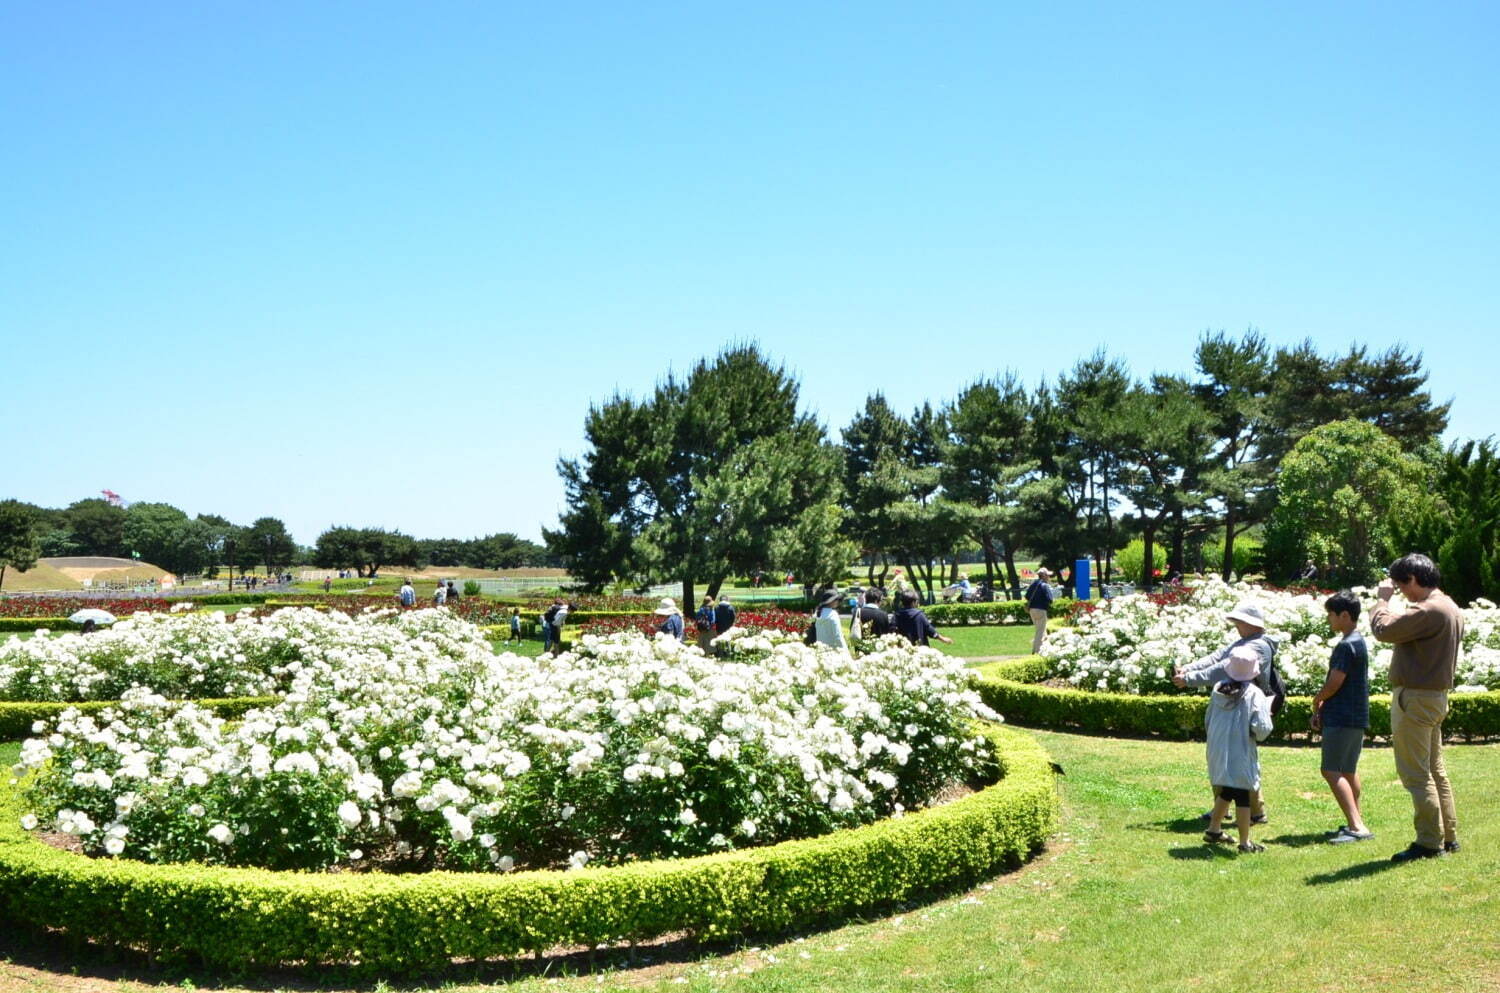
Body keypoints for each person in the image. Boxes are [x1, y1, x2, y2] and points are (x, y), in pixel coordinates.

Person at [1372, 553, 1464, 862]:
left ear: (1413, 579)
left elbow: (1383, 630)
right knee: (1435, 771)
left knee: (1416, 773)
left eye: (1401, 586)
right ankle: (1447, 836)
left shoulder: (1429, 609)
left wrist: (1381, 601)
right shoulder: (1449, 606)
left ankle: (1428, 842)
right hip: (1434, 698)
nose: (1400, 592)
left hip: (1415, 699)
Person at [1175, 602, 1277, 823]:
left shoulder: (1256, 646)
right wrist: (1189, 668)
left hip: (1244, 709)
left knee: (1240, 760)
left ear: (1251, 624)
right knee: (1227, 757)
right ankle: (1231, 809)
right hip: (1234, 705)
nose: (1236, 625)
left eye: (1239, 622)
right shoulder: (1244, 642)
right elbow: (1217, 657)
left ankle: (1254, 811)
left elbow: (1224, 666)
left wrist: (1189, 679)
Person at [1312, 590, 1373, 843]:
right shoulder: (1358, 641)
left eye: (1331, 614)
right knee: (1347, 770)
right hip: (1355, 716)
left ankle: (1357, 826)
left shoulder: (1346, 646)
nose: (1329, 619)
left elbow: (1335, 682)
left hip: (1340, 717)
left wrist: (1318, 700)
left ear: (1345, 615)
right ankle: (1356, 821)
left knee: (1330, 769)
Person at [1201, 647, 1275, 853]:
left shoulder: (1218, 688)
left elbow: (1208, 719)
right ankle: (1245, 843)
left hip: (1217, 747)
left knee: (1227, 789)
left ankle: (1214, 830)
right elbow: (1262, 729)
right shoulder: (1254, 694)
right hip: (1240, 749)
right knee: (1242, 793)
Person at [1024, 568, 1056, 654]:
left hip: (1031, 610)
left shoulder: (1034, 584)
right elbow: (1050, 599)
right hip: (1041, 610)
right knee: (1040, 631)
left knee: (1040, 629)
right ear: (1044, 576)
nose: (1049, 577)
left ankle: (1044, 648)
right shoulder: (1044, 585)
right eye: (1048, 575)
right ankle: (1036, 650)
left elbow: (1027, 596)